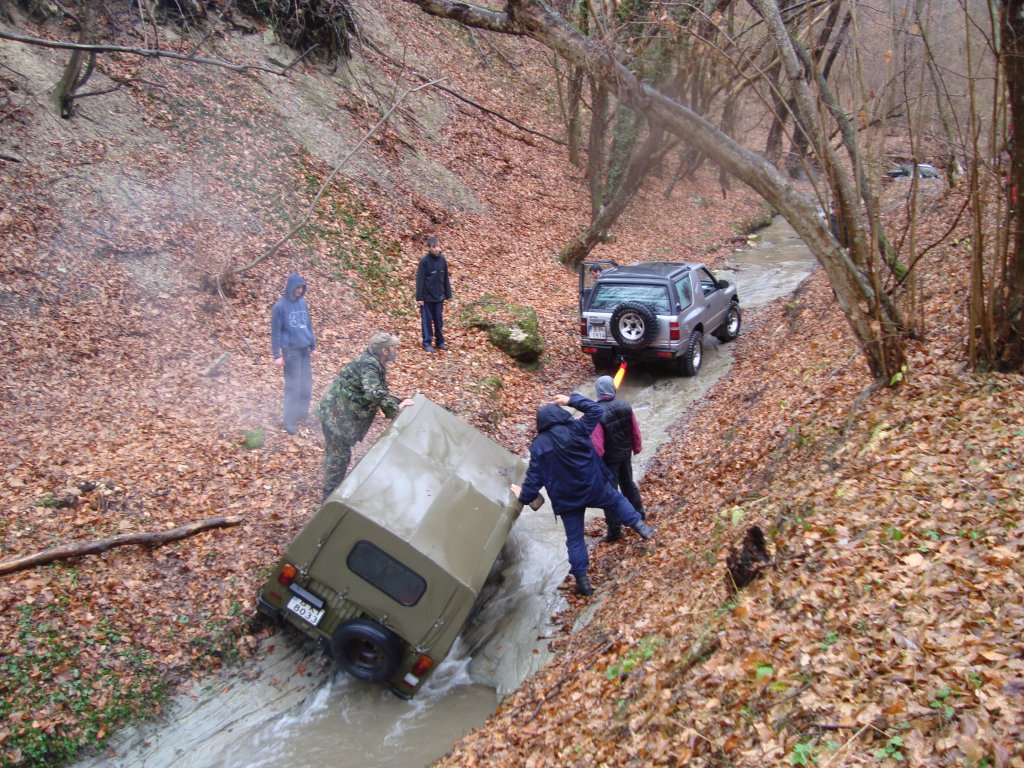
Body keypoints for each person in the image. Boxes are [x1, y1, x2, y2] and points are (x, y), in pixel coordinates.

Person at [511, 393, 654, 596]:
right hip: (594, 486)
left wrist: (523, 495)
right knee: (617, 501)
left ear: (540, 423)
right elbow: (596, 409)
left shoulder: (538, 446)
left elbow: (535, 477)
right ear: (560, 414)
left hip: (567, 499)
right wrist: (570, 400)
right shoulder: (577, 429)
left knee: (575, 539)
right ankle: (643, 528)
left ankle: (582, 582)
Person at [316, 332, 414, 499]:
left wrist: (398, 402)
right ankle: (328, 499)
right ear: (385, 351)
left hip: (339, 413)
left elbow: (377, 391)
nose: (395, 350)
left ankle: (330, 485)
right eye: (393, 347)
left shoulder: (373, 363)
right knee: (339, 458)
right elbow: (373, 393)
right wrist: (395, 409)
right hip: (336, 416)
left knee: (336, 453)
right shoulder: (368, 365)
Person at [591, 375, 646, 543]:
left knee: (610, 494)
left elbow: (597, 446)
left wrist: (595, 466)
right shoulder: (625, 405)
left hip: (609, 461)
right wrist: (637, 447)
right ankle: (640, 515)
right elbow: (635, 429)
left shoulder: (596, 412)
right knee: (628, 484)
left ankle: (615, 531)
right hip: (625, 454)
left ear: (598, 392)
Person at [271, 273, 316, 435]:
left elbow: (308, 326)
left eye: (301, 288)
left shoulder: (303, 304)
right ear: (290, 287)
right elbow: (275, 332)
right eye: (297, 287)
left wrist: (313, 347)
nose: (299, 290)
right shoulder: (279, 307)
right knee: (293, 386)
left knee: (306, 384)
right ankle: (289, 421)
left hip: (304, 350)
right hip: (290, 352)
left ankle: (302, 415)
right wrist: (277, 355)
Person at [415, 236, 452, 352]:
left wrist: (447, 293)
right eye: (434, 247)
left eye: (438, 246)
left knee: (438, 320)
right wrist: (419, 297)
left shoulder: (442, 260)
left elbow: (445, 277)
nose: (436, 249)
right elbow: (420, 280)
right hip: (427, 297)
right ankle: (427, 343)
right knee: (427, 321)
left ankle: (440, 342)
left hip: (439, 296)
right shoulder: (424, 261)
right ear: (429, 248)